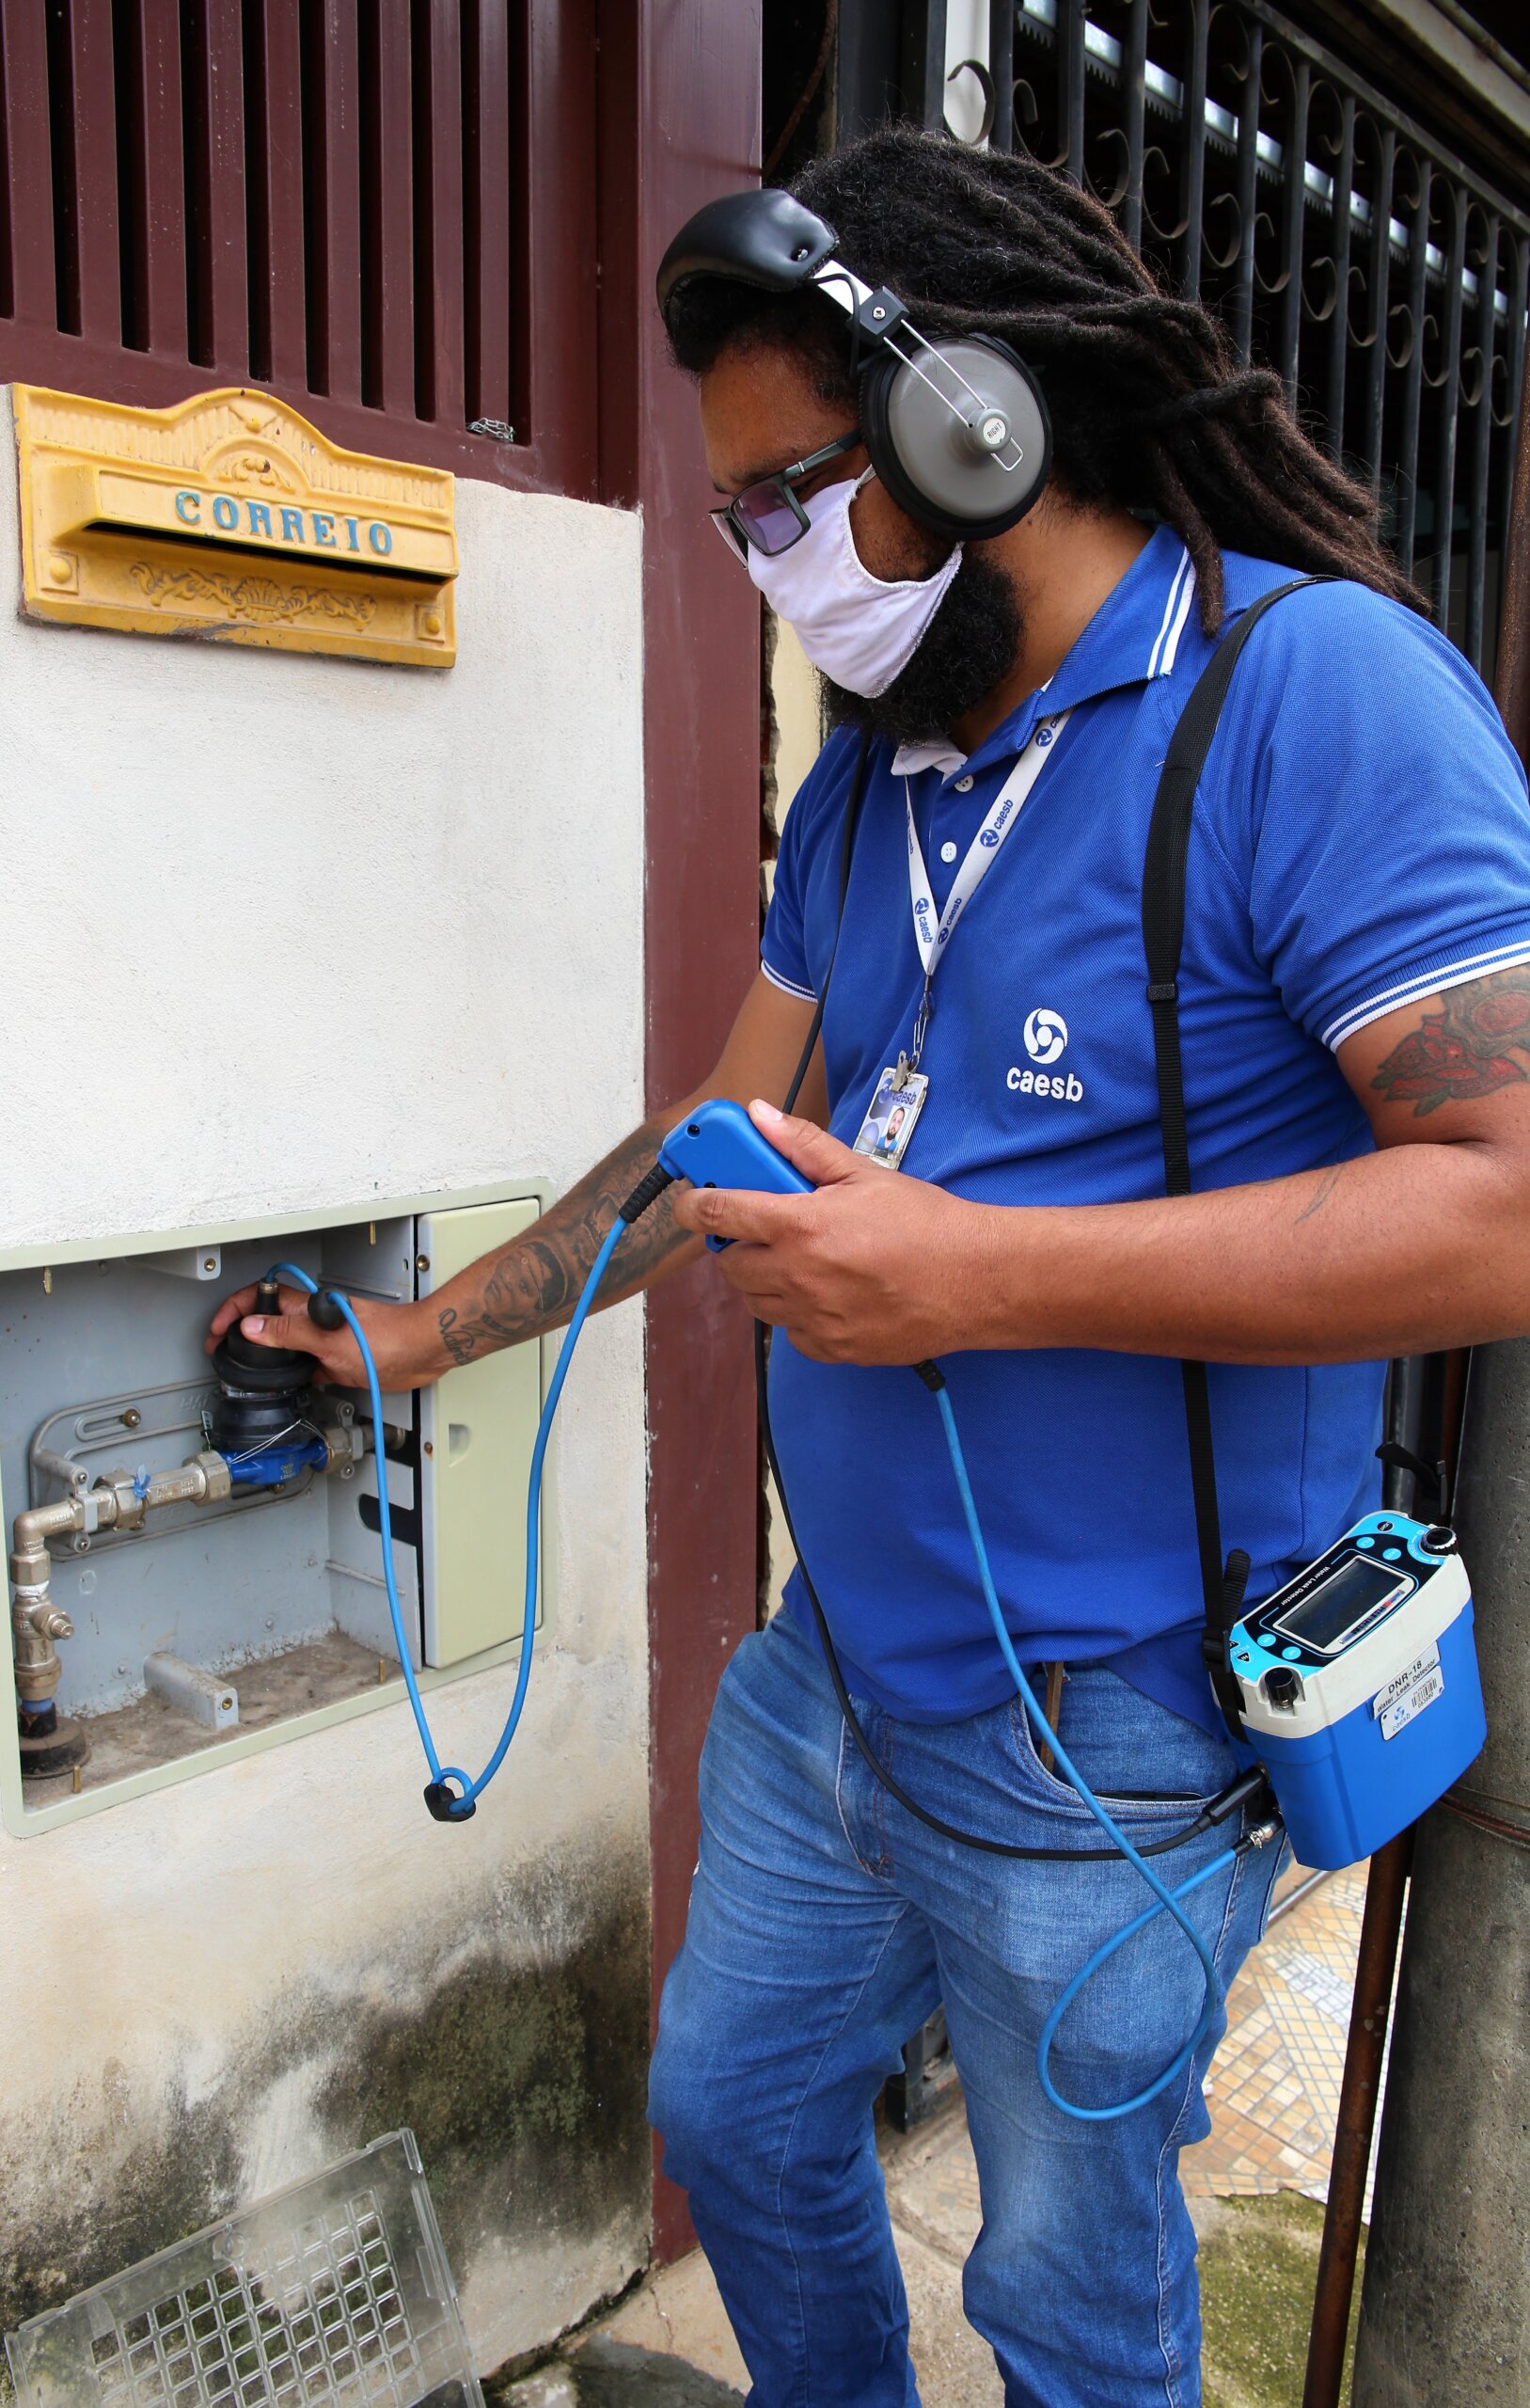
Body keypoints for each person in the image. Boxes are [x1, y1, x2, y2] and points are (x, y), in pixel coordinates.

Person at [209, 127, 1530, 2408]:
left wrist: (978, 1274)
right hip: (838, 1666)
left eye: (795, 491)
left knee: (1062, 2298)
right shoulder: (873, 779)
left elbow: (1507, 1189)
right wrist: (423, 1334)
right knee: (726, 2114)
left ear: (976, 421)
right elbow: (710, 1130)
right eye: (738, 519)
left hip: (1105, 1727)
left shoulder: (1310, 700)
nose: (768, 562)